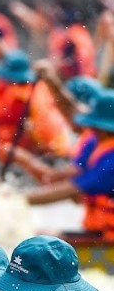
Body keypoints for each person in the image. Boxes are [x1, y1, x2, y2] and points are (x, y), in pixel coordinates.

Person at [25, 89, 114, 240]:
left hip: (107, 236)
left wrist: (18, 202)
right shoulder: (98, 145)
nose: (91, 129)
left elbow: (71, 190)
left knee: (43, 241)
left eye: (95, 126)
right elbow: (61, 180)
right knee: (42, 237)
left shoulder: (110, 160)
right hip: (100, 231)